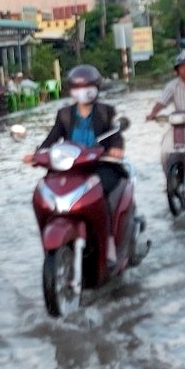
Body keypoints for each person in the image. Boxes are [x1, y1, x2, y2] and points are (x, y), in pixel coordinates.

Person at [24, 64, 126, 264]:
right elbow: (52, 139)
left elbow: (116, 135)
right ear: (71, 89)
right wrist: (37, 154)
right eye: (77, 86)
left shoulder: (106, 111)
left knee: (103, 194)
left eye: (87, 86)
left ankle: (110, 242)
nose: (82, 90)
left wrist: (116, 148)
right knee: (44, 192)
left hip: (101, 165)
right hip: (72, 168)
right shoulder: (65, 114)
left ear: (96, 87)